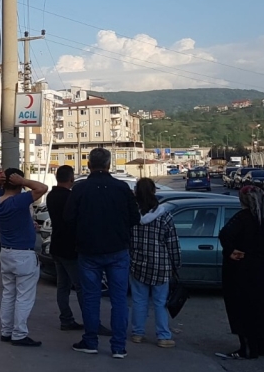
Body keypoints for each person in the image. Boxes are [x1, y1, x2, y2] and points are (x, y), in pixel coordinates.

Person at [65, 148, 140, 359]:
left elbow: (68, 218)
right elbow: (135, 218)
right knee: (119, 299)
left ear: (89, 165)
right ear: (109, 165)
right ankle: (118, 347)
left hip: (88, 250)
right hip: (118, 250)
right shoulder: (122, 188)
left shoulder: (80, 189)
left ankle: (90, 341)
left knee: (91, 298)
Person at [216, 186, 264, 359]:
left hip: (243, 269)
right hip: (263, 267)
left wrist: (232, 251)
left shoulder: (242, 218)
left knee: (243, 307)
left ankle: (248, 348)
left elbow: (224, 235)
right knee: (263, 307)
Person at [0, 168, 47, 347]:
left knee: (8, 294)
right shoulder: (19, 201)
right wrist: (23, 181)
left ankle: (6, 331)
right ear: (18, 184)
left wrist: (0, 181)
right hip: (23, 254)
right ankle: (19, 333)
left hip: (6, 252)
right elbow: (42, 188)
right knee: (24, 297)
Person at [129, 178, 182, 348]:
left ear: (136, 192)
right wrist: (176, 264)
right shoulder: (164, 215)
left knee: (139, 300)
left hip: (137, 264)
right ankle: (163, 336)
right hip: (160, 266)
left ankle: (137, 333)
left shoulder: (132, 215)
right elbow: (172, 243)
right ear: (154, 191)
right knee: (160, 302)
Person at [47, 165, 84, 331]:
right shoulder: (70, 197)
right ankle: (90, 320)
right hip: (70, 248)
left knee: (62, 286)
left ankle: (66, 318)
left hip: (56, 245)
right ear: (71, 178)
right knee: (81, 286)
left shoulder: (51, 195)